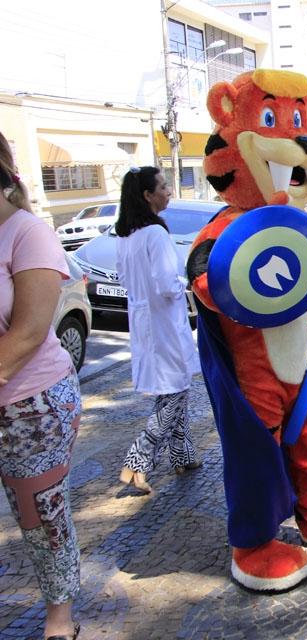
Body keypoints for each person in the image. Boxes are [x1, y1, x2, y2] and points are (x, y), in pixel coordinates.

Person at [0, 131, 82, 640]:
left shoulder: (27, 232)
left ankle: (60, 618)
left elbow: (29, 331)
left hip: (32, 406)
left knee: (41, 517)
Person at [115, 166, 202, 494]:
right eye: (163, 187)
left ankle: (183, 454)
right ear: (148, 196)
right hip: (164, 323)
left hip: (145, 323)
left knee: (173, 391)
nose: (168, 192)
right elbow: (167, 284)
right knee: (175, 393)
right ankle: (136, 461)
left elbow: (125, 279)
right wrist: (186, 284)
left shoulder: (127, 236)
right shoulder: (155, 234)